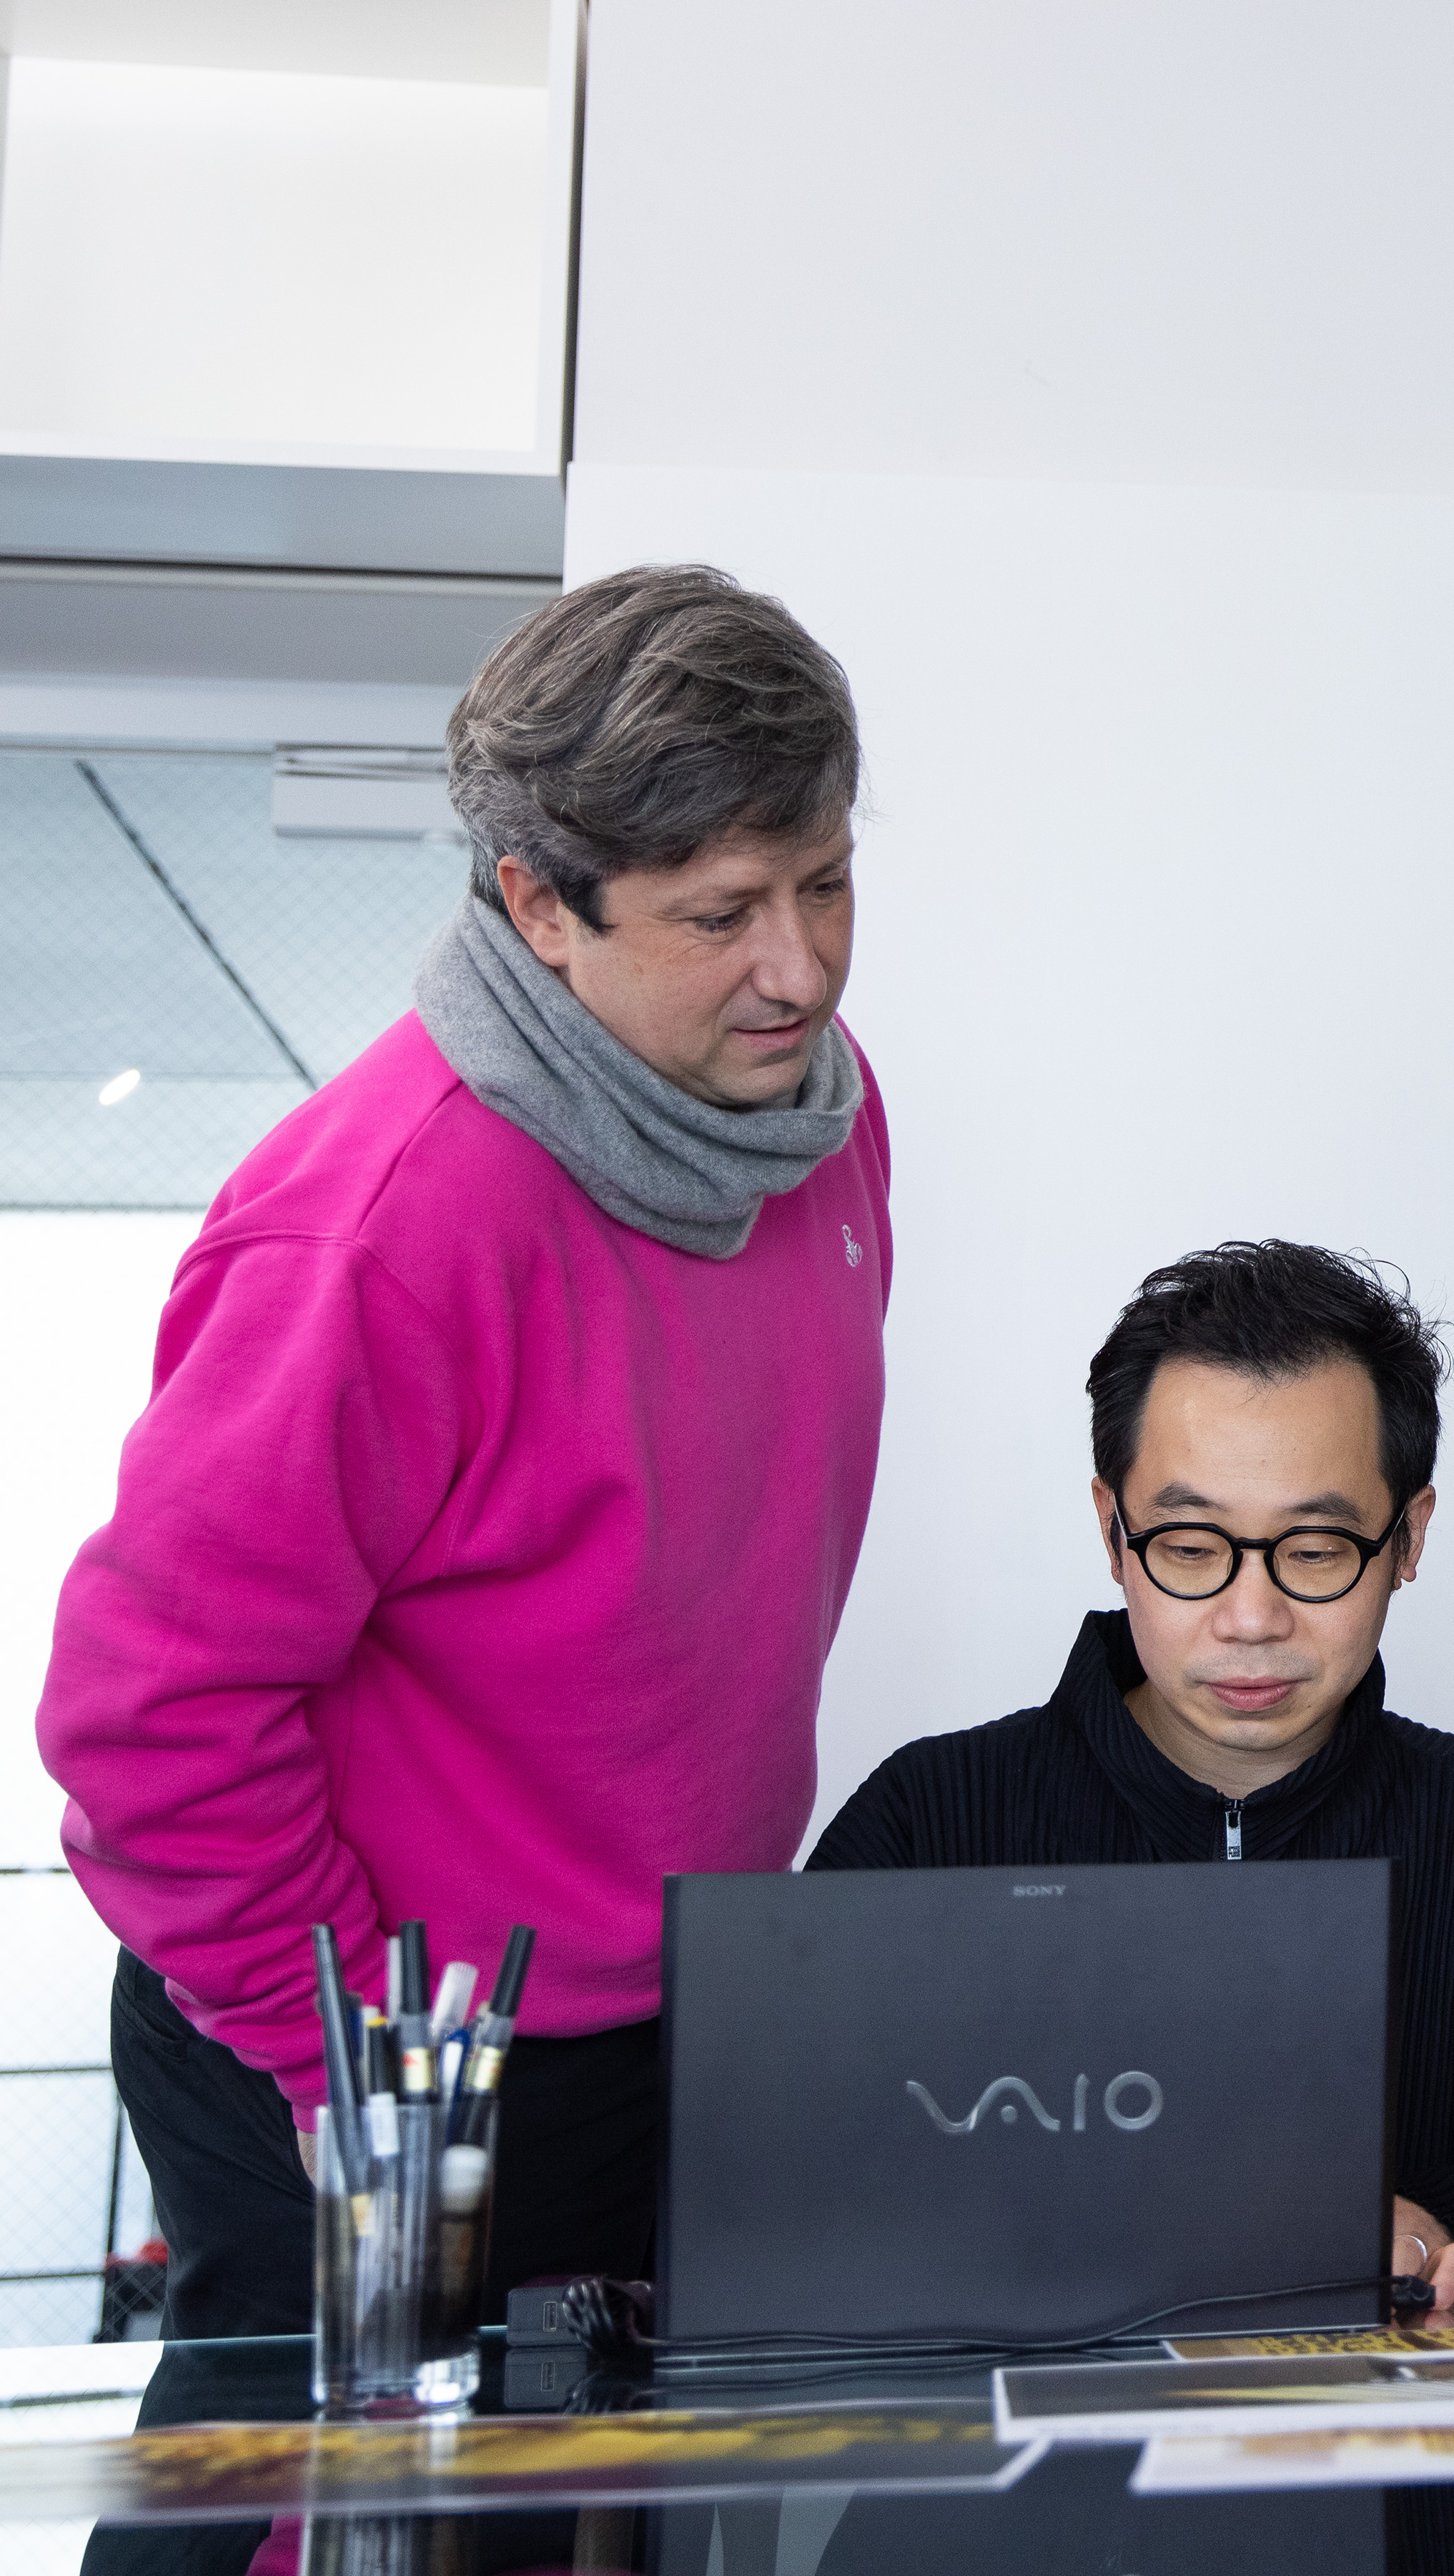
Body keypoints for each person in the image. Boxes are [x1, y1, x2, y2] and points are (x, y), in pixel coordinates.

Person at [39, 564, 889, 2336]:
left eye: (824, 881)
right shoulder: (377, 1232)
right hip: (380, 2057)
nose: (799, 967)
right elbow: (149, 1724)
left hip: (664, 2008)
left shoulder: (818, 1114)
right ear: (538, 903)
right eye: (722, 911)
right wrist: (355, 2062)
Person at [813, 1241, 1454, 2298]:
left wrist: (1438, 2232)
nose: (1251, 1619)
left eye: (1314, 1551)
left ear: (1408, 1538)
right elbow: (787, 2188)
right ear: (1113, 1531)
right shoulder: (927, 1823)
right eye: (1190, 1546)